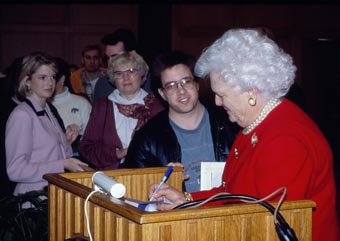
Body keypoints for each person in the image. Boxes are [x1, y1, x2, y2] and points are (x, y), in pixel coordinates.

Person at [147, 29, 340, 241]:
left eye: (222, 95)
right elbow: (232, 194)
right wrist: (187, 199)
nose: (218, 103)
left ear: (251, 91)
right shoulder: (254, 124)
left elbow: (266, 226)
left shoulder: (285, 140)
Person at [123, 51, 237, 192]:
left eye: (186, 82)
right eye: (171, 86)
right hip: (173, 213)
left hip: (228, 209)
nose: (181, 91)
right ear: (162, 93)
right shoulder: (147, 138)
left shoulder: (231, 124)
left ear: (196, 84)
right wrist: (158, 181)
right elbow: (133, 189)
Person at [5, 52, 88, 196]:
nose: (50, 83)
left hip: (52, 195)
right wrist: (62, 164)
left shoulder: (48, 109)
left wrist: (67, 142)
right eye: (42, 78)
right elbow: (15, 170)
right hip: (32, 201)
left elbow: (48, 155)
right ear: (28, 81)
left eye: (52, 77)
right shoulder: (22, 115)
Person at [79, 52, 164, 170]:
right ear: (113, 79)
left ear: (141, 74)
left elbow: (165, 148)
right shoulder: (103, 106)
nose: (126, 78)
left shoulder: (156, 106)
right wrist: (117, 154)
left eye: (131, 71)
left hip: (148, 176)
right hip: (110, 178)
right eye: (119, 73)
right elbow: (87, 148)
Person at [51, 57, 92, 155]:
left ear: (62, 79)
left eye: (52, 77)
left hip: (77, 154)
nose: (48, 82)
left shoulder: (81, 103)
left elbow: (92, 138)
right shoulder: (40, 105)